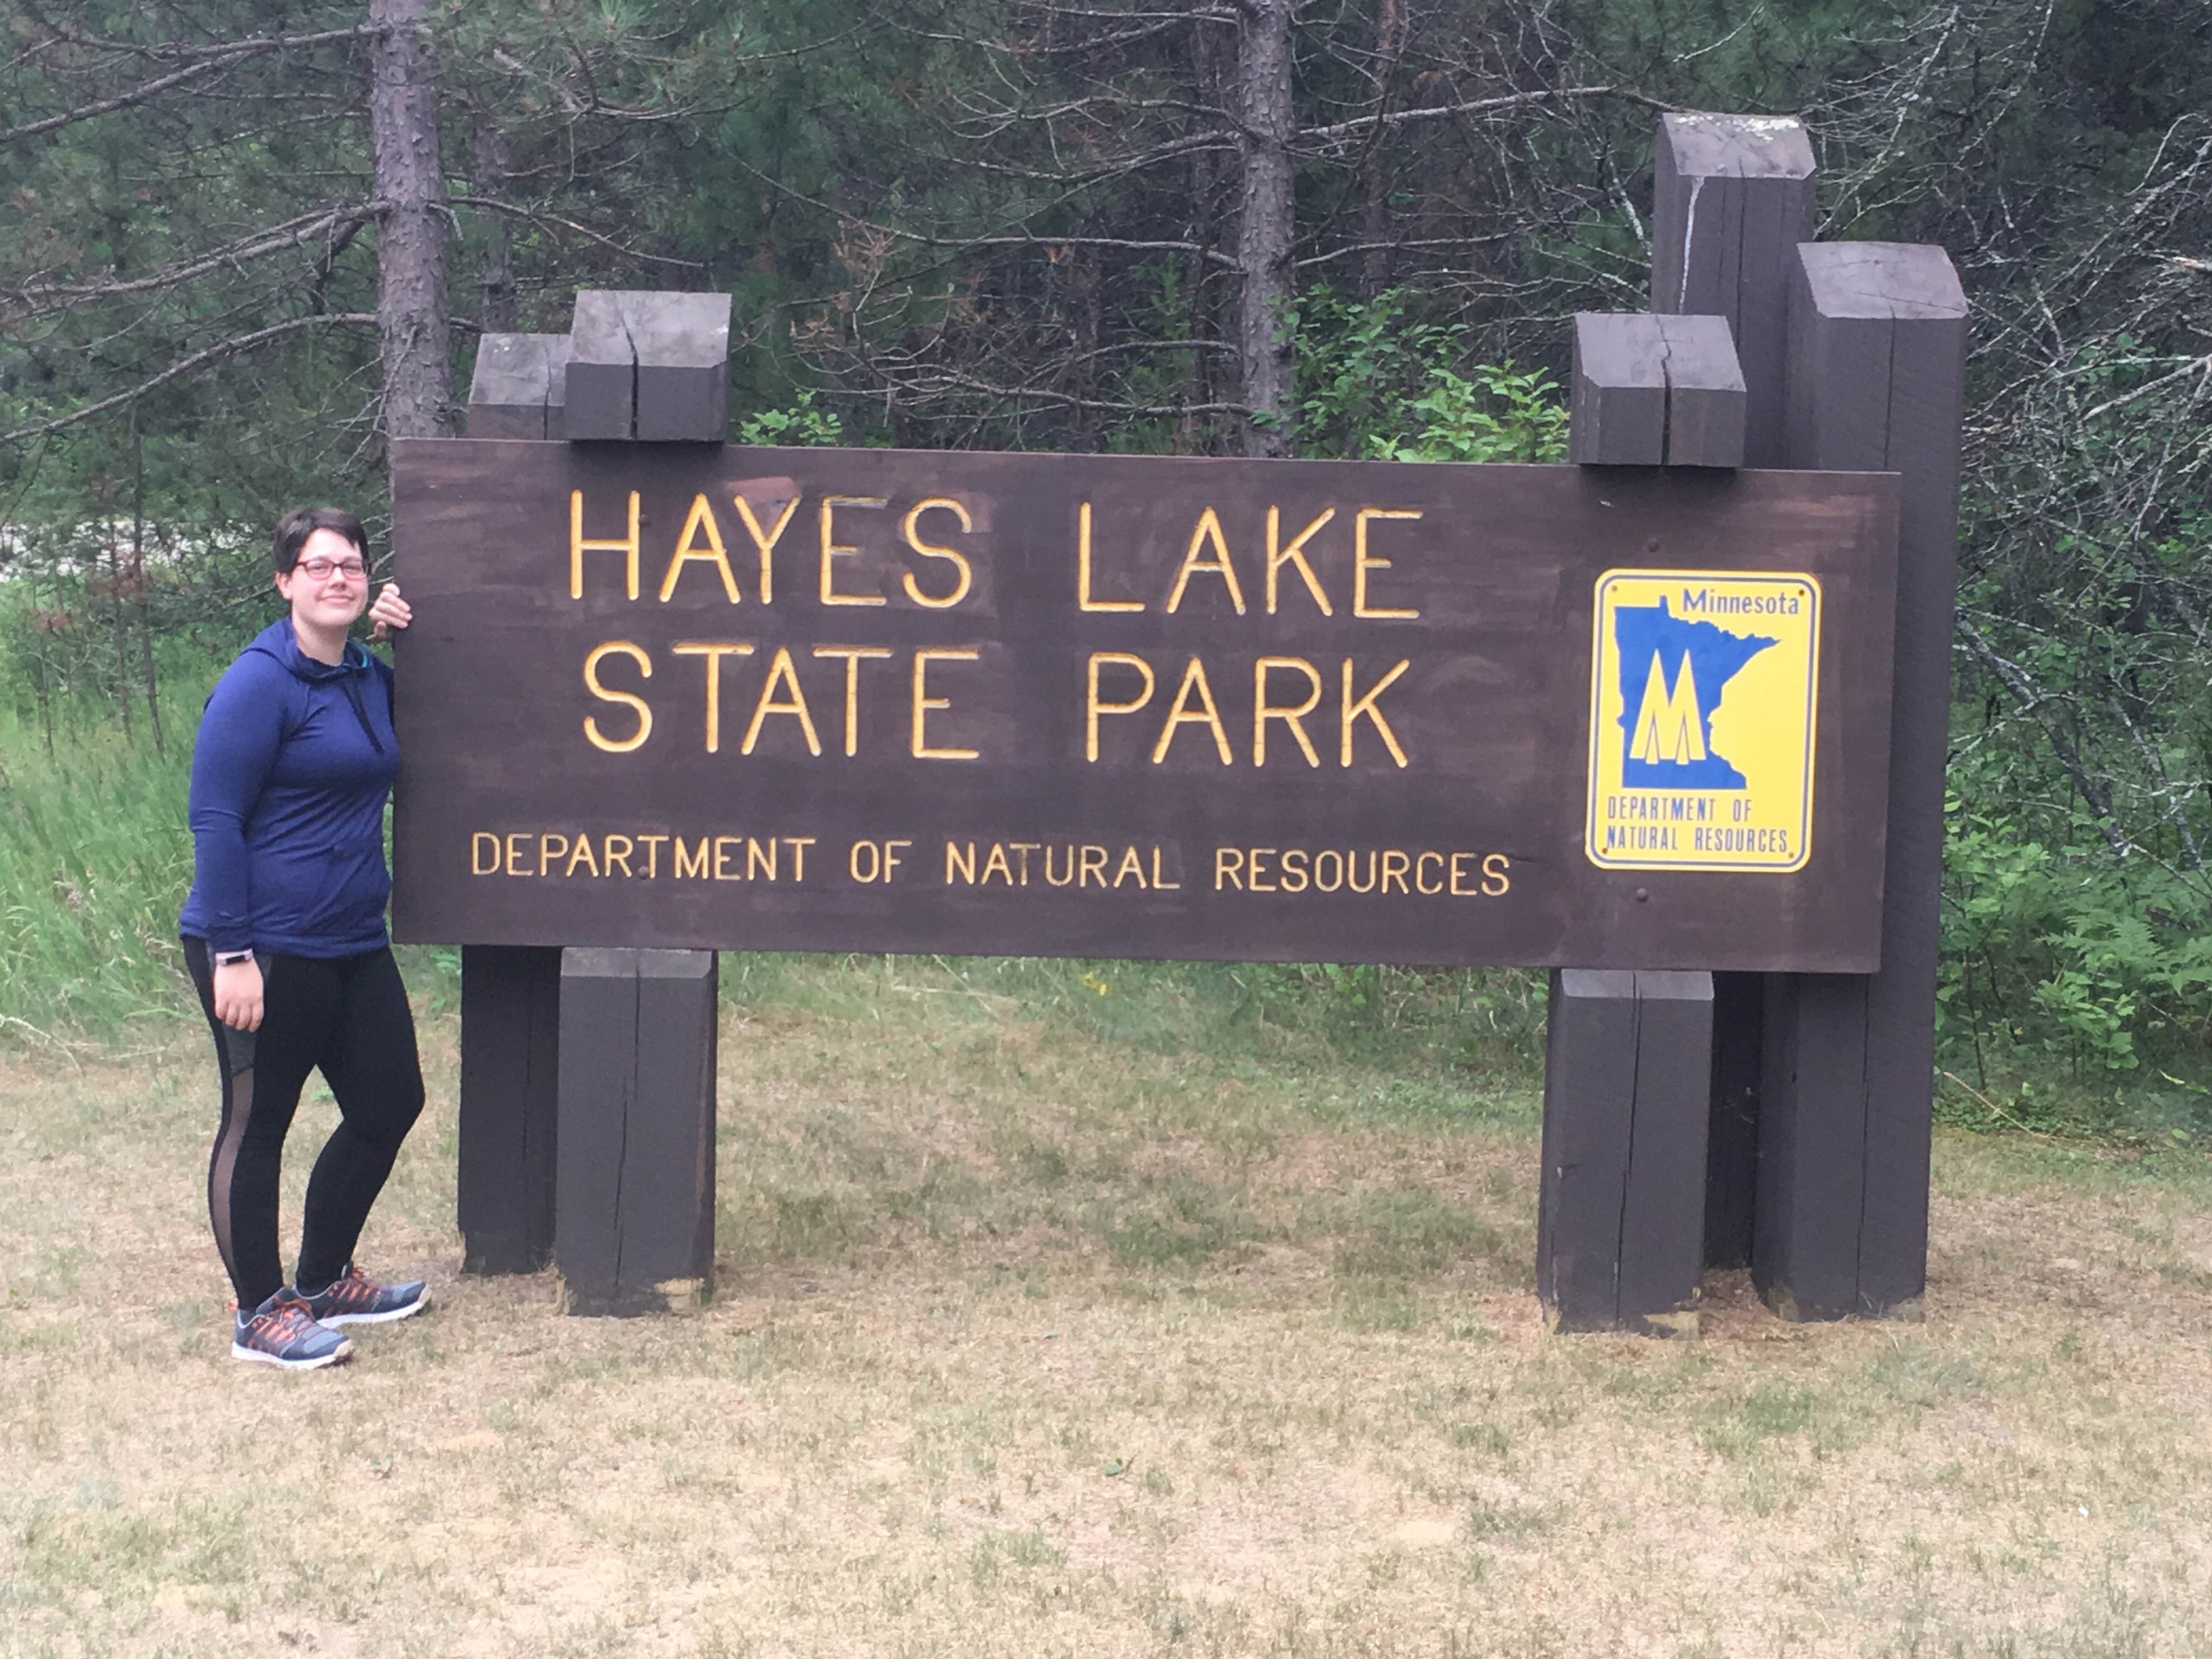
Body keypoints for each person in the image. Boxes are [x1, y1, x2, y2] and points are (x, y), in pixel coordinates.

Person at [180, 506, 428, 1370]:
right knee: (259, 1123)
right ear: (286, 581)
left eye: (350, 566)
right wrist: (231, 952)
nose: (337, 579)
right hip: (266, 945)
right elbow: (215, 818)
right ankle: (260, 1313)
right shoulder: (260, 682)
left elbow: (429, 717)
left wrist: (406, 642)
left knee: (390, 1102)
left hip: (353, 938)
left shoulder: (363, 673)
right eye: (318, 567)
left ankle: (324, 1280)